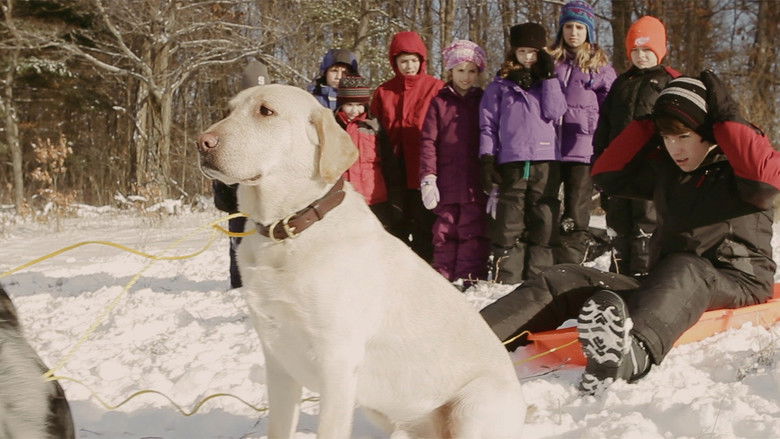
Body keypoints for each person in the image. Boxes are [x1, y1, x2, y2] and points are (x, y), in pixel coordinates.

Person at [480, 72, 780, 395]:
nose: (674, 148)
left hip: (738, 281)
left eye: (683, 137)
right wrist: (648, 124)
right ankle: (470, 336)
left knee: (687, 268)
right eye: (667, 137)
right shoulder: (668, 168)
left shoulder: (743, 168)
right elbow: (606, 175)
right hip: (667, 285)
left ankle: (629, 354)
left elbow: (767, 184)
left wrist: (727, 118)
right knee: (563, 278)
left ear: (710, 132)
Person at [478, 23, 567, 284]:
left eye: (533, 52)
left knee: (544, 220)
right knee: (509, 222)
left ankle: (540, 280)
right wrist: (487, 158)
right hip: (513, 160)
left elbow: (555, 112)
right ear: (513, 52)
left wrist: (548, 77)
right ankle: (507, 280)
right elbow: (487, 125)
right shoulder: (499, 86)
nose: (527, 57)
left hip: (545, 160)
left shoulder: (549, 82)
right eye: (522, 51)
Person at [593, 16, 680, 277]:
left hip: (652, 170)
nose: (641, 57)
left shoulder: (669, 81)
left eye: (648, 50)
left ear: (661, 51)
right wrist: (599, 160)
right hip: (620, 169)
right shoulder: (621, 83)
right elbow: (604, 125)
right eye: (636, 51)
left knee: (647, 224)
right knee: (618, 224)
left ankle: (644, 277)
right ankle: (618, 276)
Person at [547, 0, 616, 265]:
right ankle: (546, 260)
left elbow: (611, 110)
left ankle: (570, 264)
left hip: (582, 149)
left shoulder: (600, 68)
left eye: (579, 27)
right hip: (550, 147)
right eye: (568, 26)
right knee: (547, 206)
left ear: (588, 31)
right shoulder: (551, 63)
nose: (573, 32)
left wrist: (603, 143)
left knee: (576, 210)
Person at [371, 31, 445, 262]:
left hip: (425, 166)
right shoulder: (384, 91)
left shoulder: (436, 87)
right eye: (403, 61)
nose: (409, 66)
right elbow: (374, 127)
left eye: (414, 60)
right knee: (397, 219)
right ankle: (398, 265)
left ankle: (427, 264)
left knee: (425, 220)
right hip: (394, 167)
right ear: (395, 63)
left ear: (422, 61)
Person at [419, 39, 489, 284]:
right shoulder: (439, 102)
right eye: (460, 71)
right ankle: (443, 278)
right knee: (444, 230)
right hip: (447, 180)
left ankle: (468, 278)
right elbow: (428, 141)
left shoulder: (483, 100)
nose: (466, 77)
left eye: (472, 71)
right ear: (450, 71)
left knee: (472, 229)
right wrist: (428, 176)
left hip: (474, 181)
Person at [213, 58, 271, 289]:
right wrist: (224, 193)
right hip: (234, 192)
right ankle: (238, 284)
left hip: (262, 195)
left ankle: (262, 284)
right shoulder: (229, 118)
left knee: (262, 240)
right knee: (238, 240)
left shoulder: (270, 120)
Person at [334, 75, 404, 232]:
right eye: (349, 104)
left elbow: (389, 163)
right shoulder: (333, 127)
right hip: (344, 198)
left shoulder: (375, 126)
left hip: (375, 198)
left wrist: (395, 200)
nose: (354, 110)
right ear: (341, 104)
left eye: (359, 105)